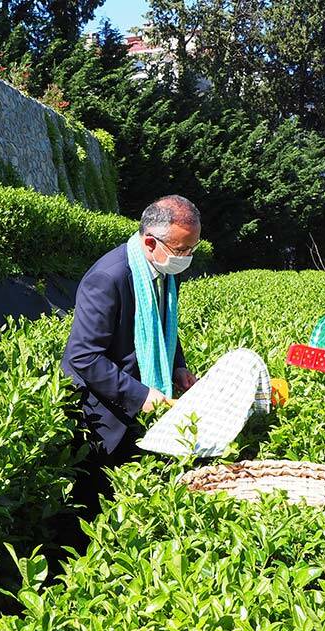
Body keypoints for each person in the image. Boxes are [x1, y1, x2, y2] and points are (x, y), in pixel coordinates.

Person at [61, 195, 201, 504]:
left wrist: (178, 366)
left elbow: (164, 323)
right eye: (182, 250)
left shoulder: (166, 270)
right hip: (104, 418)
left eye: (193, 248)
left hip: (140, 403)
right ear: (150, 243)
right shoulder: (108, 278)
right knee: (100, 506)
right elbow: (84, 356)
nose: (187, 257)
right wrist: (140, 395)